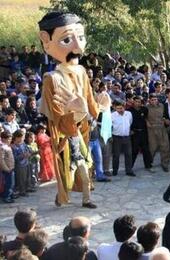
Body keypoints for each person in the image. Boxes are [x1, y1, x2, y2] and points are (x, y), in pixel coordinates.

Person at [38, 12, 100, 206]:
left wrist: (99, 110)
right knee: (65, 174)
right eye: (66, 39)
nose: (77, 46)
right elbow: (55, 115)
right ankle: (61, 196)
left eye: (80, 38)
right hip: (64, 138)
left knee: (83, 170)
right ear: (46, 41)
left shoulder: (82, 71)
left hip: (80, 136)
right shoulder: (51, 79)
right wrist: (74, 114)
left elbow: (90, 101)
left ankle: (85, 199)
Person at [128, 95, 153, 172]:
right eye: (136, 101)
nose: (138, 103)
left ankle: (148, 166)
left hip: (143, 132)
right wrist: (130, 130)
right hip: (134, 133)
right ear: (133, 102)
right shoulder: (129, 111)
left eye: (139, 102)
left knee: (146, 150)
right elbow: (127, 122)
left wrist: (147, 122)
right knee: (134, 150)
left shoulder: (144, 109)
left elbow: (146, 118)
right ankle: (129, 167)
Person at [111, 99, 134, 176]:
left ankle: (129, 170)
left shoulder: (129, 114)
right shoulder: (112, 115)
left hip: (127, 137)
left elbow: (130, 123)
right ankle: (115, 170)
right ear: (115, 108)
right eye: (118, 108)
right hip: (116, 138)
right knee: (116, 155)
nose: (120, 110)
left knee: (128, 154)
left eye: (121, 108)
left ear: (124, 107)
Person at [12, 129, 31, 197]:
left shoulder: (23, 144)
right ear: (16, 137)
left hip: (26, 163)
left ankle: (26, 189)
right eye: (21, 137)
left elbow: (27, 150)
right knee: (21, 179)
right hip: (19, 165)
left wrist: (28, 153)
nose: (22, 139)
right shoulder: (13, 146)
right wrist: (22, 156)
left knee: (26, 177)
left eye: (23, 137)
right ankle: (22, 191)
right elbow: (14, 158)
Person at [0, 130, 15, 203]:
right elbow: (1, 160)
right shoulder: (2, 147)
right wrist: (6, 169)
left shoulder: (7, 146)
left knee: (11, 183)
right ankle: (6, 196)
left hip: (11, 168)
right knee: (8, 183)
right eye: (8, 139)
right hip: (7, 169)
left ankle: (11, 194)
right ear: (3, 139)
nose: (10, 140)